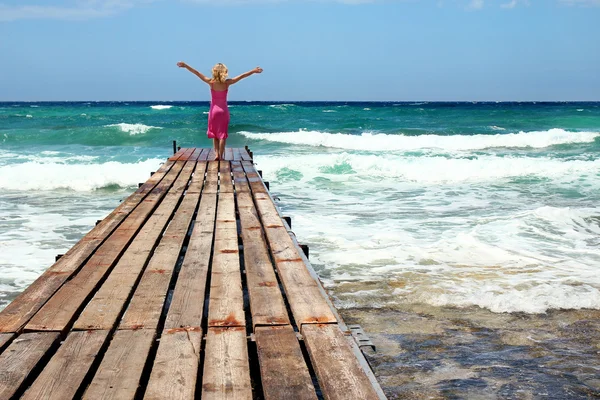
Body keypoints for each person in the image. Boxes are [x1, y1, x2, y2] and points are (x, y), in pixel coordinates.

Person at [177, 62, 263, 160]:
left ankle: (217, 155)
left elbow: (197, 73)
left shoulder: (211, 82)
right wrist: (253, 71)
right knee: (222, 134)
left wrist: (186, 65)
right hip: (223, 111)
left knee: (215, 134)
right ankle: (221, 156)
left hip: (213, 111)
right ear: (224, 72)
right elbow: (242, 76)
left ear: (214, 71)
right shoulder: (227, 83)